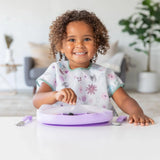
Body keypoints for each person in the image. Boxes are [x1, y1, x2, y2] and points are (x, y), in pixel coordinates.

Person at [33, 10, 154, 126]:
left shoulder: (105, 74)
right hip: (63, 128)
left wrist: (136, 112)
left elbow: (124, 100)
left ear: (97, 44)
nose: (79, 45)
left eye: (87, 39)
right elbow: (37, 100)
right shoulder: (55, 70)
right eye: (72, 39)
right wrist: (55, 95)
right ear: (60, 45)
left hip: (100, 127)